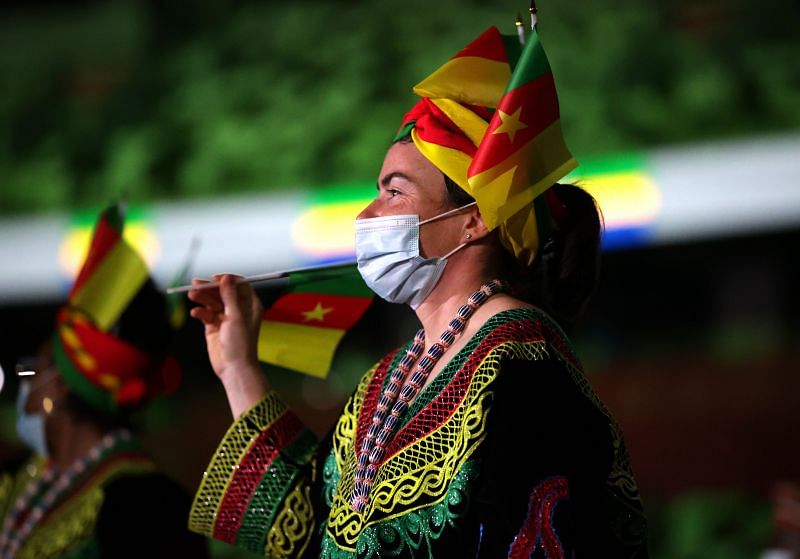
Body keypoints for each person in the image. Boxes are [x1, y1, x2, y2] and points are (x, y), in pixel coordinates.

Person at [187, 24, 649, 558]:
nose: (367, 215)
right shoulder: (389, 380)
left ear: (473, 220)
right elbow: (310, 533)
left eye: (394, 191)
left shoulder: (522, 369)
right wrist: (237, 367)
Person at [0, 205, 209, 559]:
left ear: (60, 386)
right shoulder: (26, 474)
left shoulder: (149, 508)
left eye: (35, 367)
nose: (27, 382)